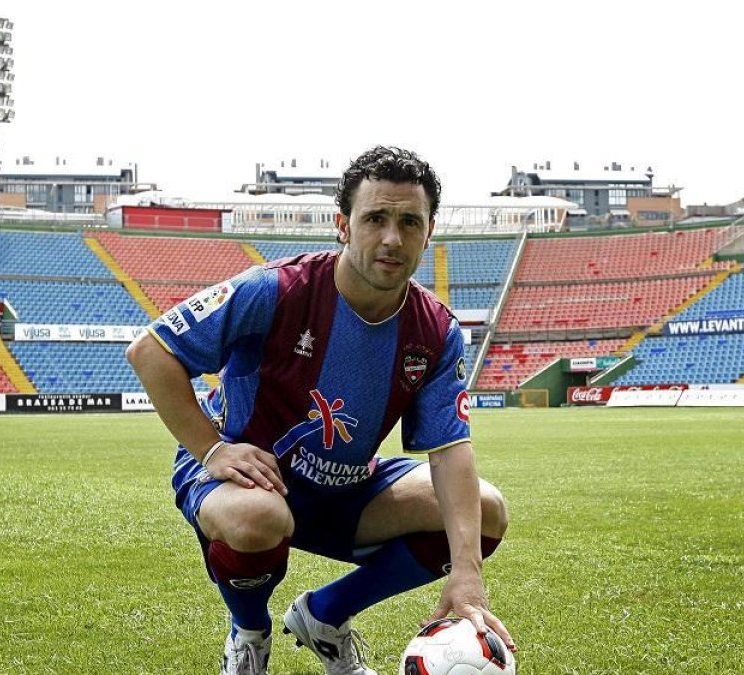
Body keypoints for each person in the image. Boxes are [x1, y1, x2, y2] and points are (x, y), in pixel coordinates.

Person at [127, 146, 513, 675]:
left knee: (486, 511)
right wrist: (211, 449)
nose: (392, 238)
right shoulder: (275, 290)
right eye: (375, 218)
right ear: (343, 225)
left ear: (429, 231)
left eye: (409, 222)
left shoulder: (435, 330)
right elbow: (152, 351)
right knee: (258, 518)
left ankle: (324, 617)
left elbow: (450, 450)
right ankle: (250, 632)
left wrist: (467, 571)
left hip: (347, 486)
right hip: (247, 483)